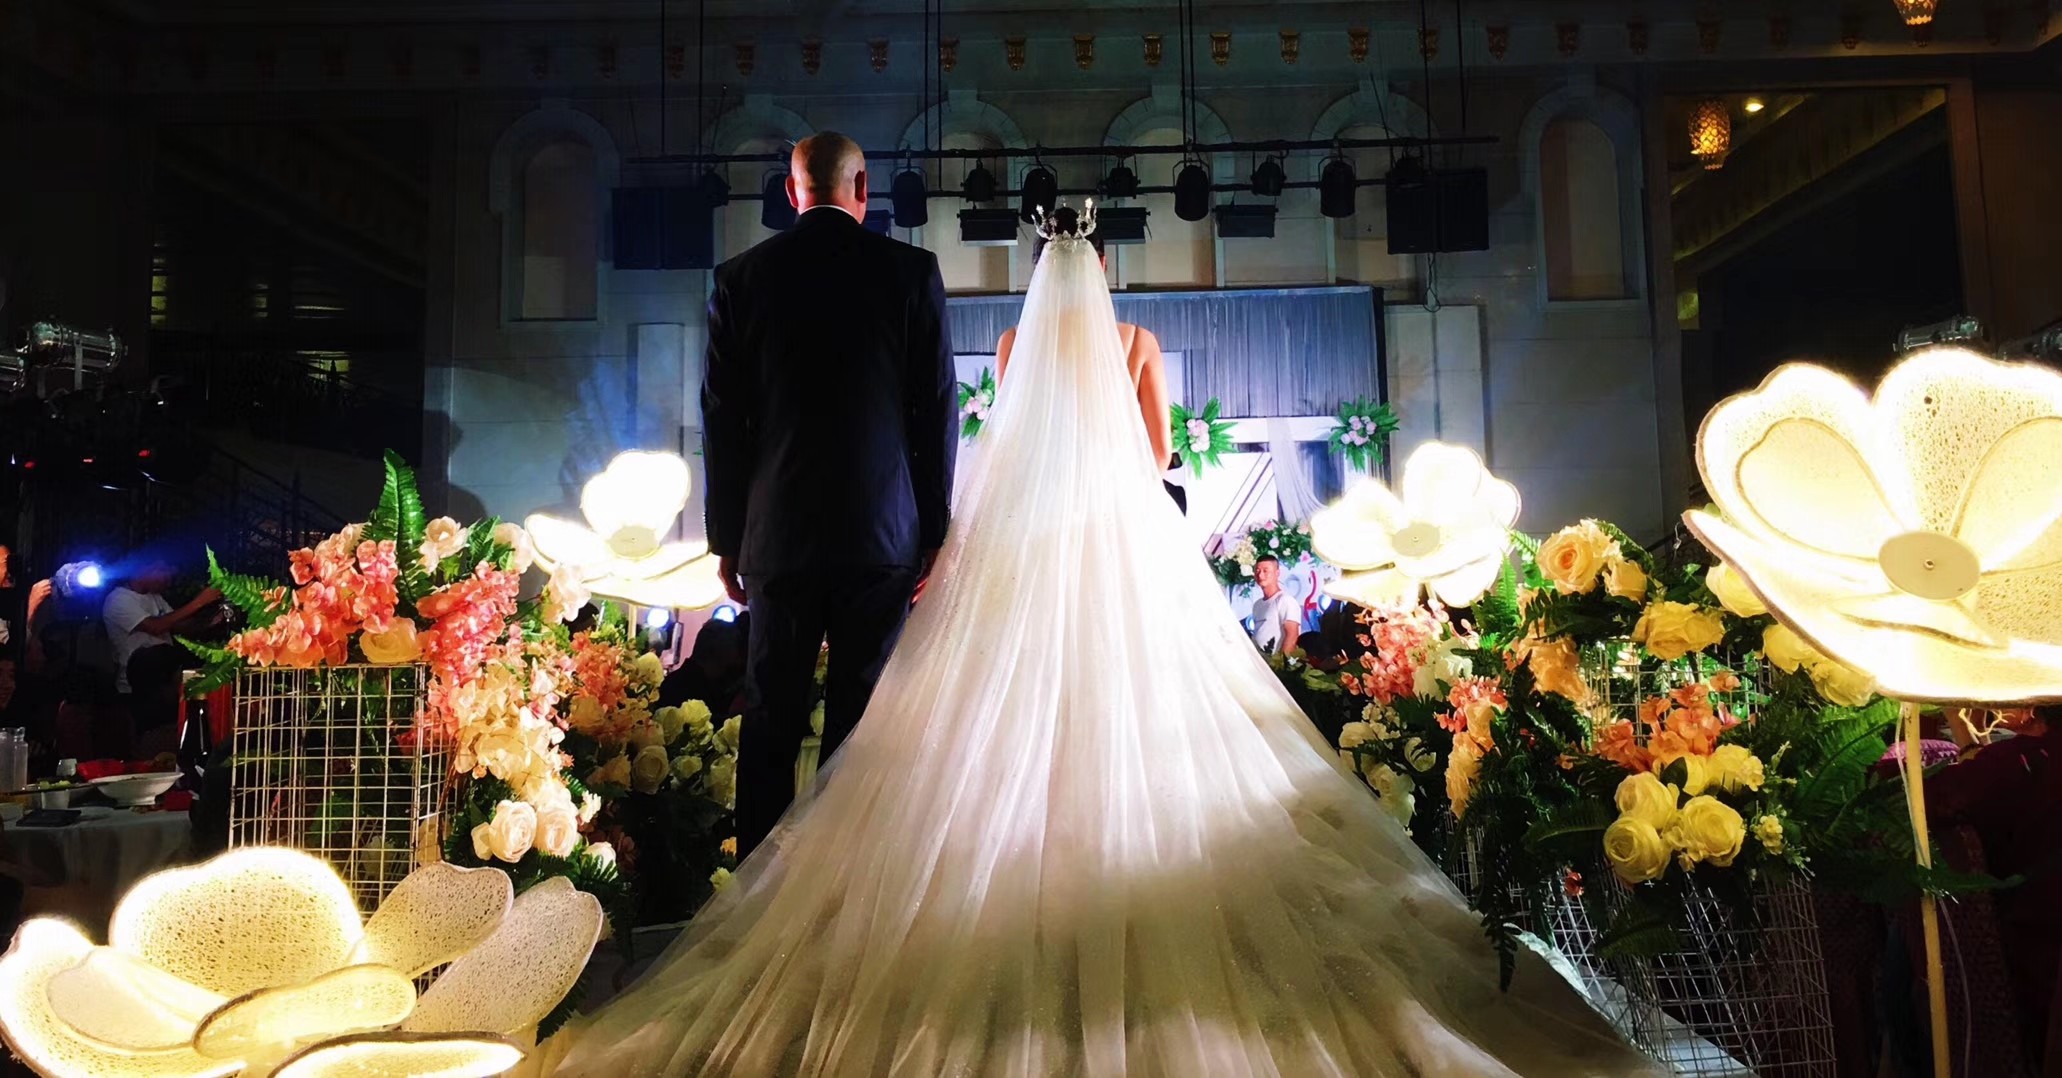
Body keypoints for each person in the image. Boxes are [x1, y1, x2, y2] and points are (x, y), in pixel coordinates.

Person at [548, 205, 1656, 1077]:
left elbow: (996, 437)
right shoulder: (1138, 341)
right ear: (1104, 267)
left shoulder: (1014, 341)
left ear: (1040, 270)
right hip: (1116, 548)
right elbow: (1158, 457)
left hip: (1031, 546)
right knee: (1135, 704)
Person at [700, 131, 956, 859]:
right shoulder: (910, 272)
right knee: (862, 726)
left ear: (791, 193)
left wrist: (727, 538)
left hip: (778, 537)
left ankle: (757, 893)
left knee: (770, 720)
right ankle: (853, 889)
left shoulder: (741, 279)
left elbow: (722, 421)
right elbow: (935, 411)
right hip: (882, 535)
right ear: (863, 188)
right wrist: (933, 530)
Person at [102, 557, 221, 752]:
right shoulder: (118, 599)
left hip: (166, 678)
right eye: (163, 572)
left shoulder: (154, 598)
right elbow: (156, 626)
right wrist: (200, 601)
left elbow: (180, 626)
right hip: (140, 685)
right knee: (156, 742)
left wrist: (212, 620)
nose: (168, 579)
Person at [1249, 554, 1302, 654]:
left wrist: (1282, 661)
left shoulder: (1285, 600)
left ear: (1277, 573)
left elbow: (1292, 635)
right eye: (1257, 571)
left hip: (1275, 660)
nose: (1260, 575)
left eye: (1265, 571)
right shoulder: (1257, 605)